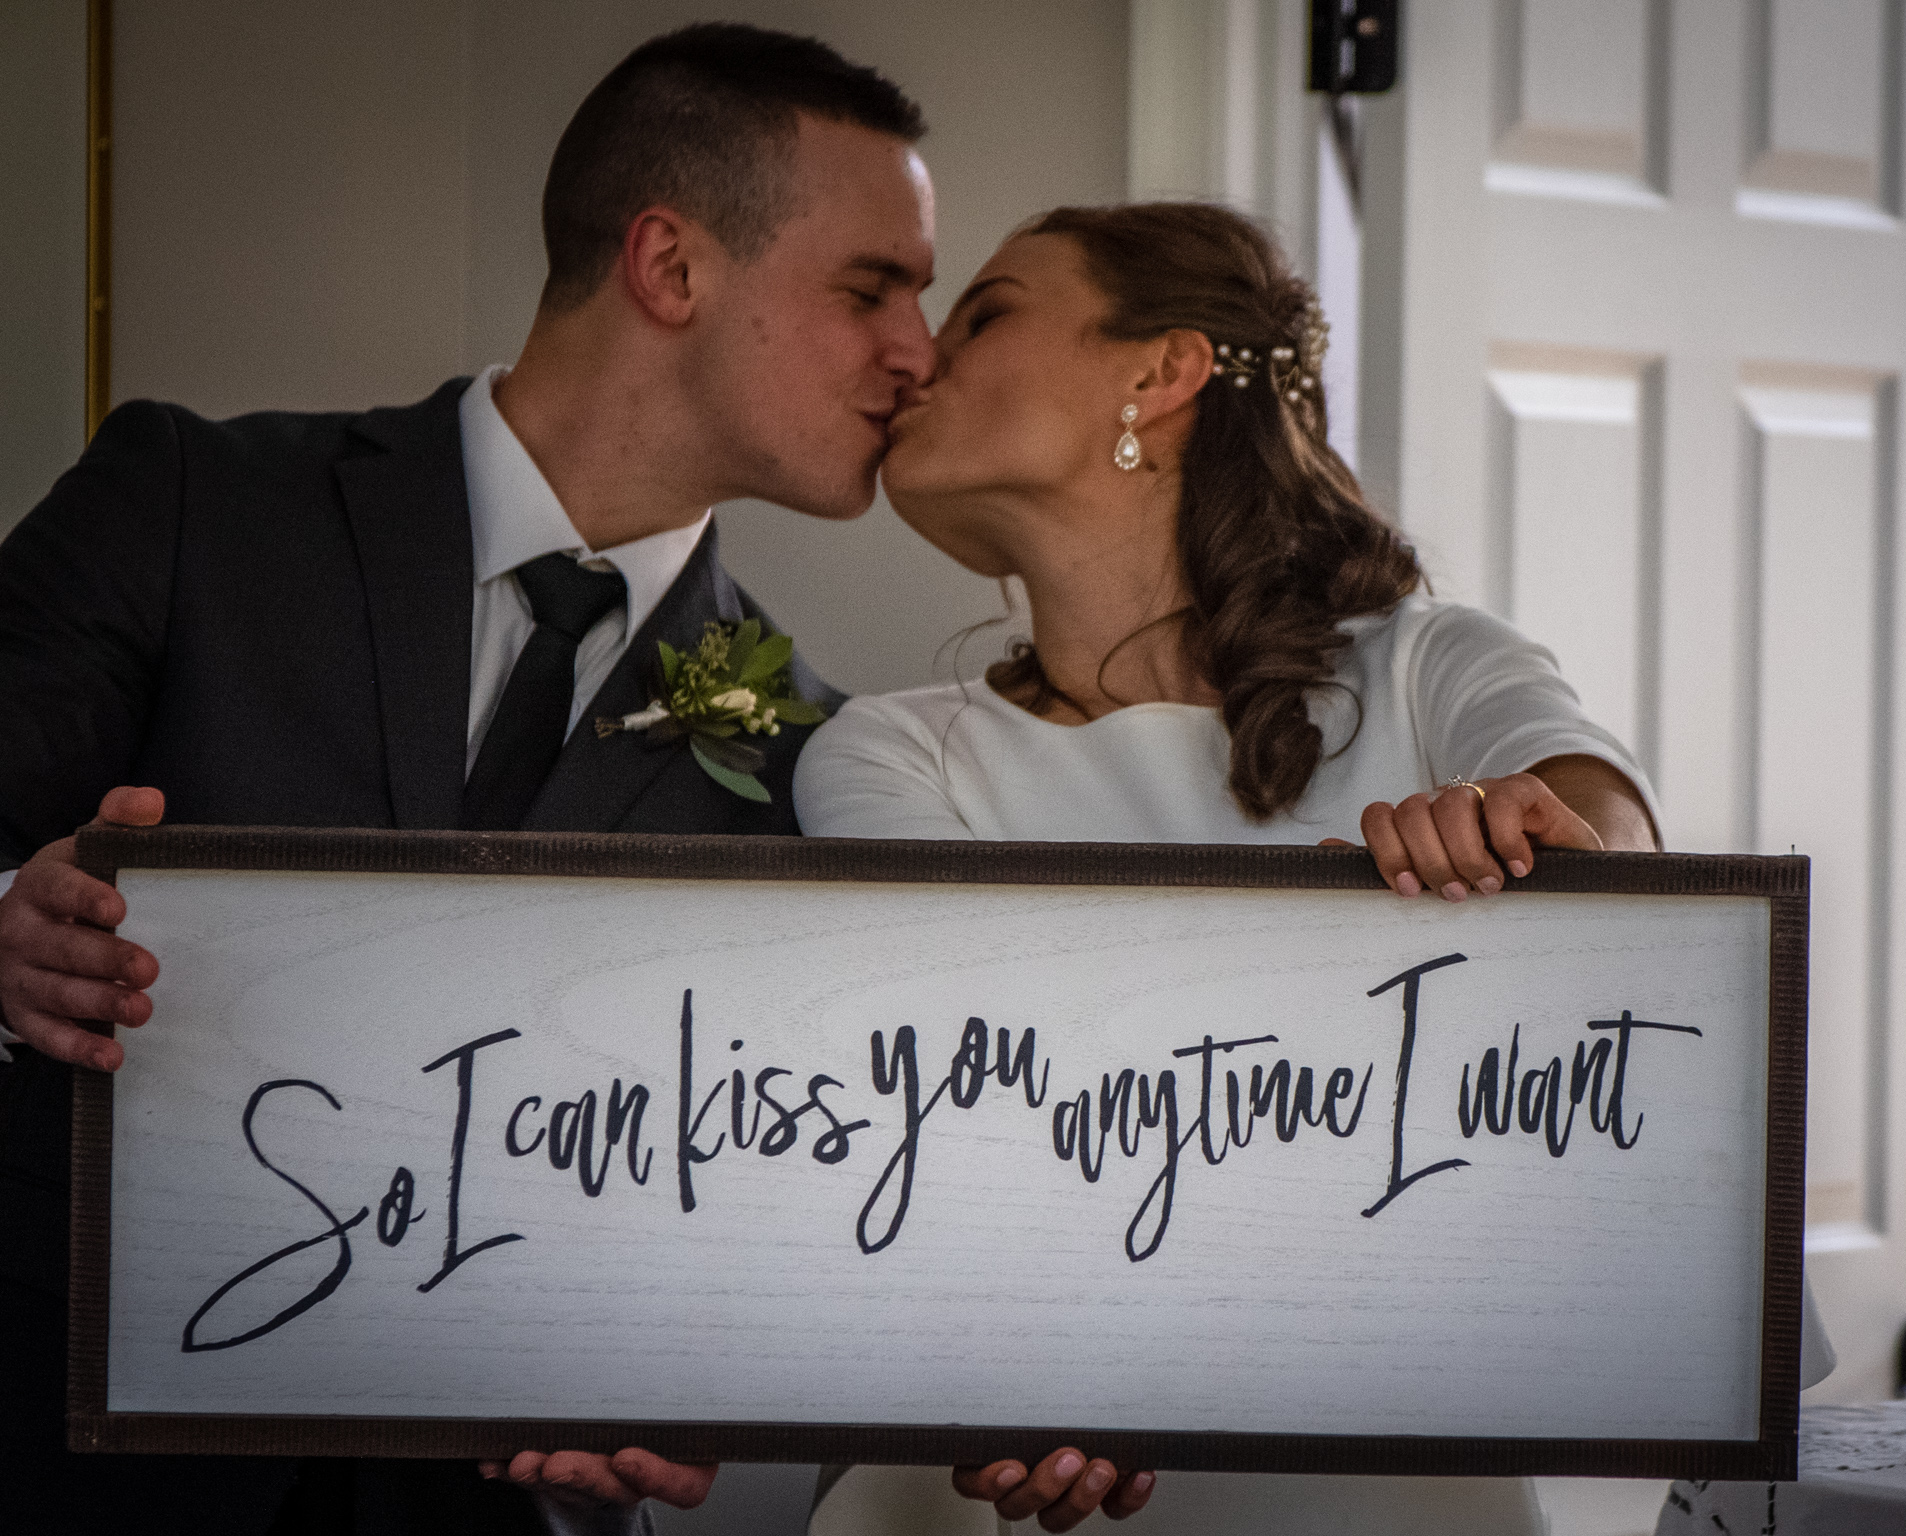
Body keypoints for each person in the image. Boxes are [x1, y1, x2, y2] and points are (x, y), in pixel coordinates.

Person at [0, 25, 1138, 1536]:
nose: (917, 353)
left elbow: (810, 1192)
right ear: (669, 266)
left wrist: (719, 1393)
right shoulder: (194, 501)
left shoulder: (821, 753)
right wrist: (6, 930)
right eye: (872, 288)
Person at [793, 202, 1655, 1534]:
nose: (916, 356)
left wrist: (1518, 832)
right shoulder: (887, 751)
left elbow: (1622, 853)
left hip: (1392, 1463)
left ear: (1162, 370)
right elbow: (958, 1093)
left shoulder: (1429, 665)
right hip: (1019, 1435)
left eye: (986, 312)